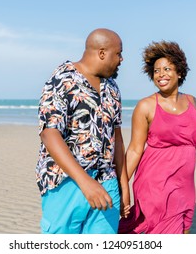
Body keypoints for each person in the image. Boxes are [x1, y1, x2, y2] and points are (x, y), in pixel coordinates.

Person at [118, 40, 196, 234]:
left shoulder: (192, 102)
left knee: (183, 231)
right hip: (155, 184)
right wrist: (121, 187)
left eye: (167, 69)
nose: (161, 74)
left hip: (185, 186)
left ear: (179, 72)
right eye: (156, 71)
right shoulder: (146, 106)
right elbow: (135, 150)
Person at [36, 28, 130, 234]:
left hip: (107, 182)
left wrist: (124, 185)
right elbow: (49, 133)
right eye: (119, 53)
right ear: (102, 53)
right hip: (67, 184)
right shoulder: (62, 79)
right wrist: (86, 183)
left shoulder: (113, 87)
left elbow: (117, 138)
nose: (122, 59)